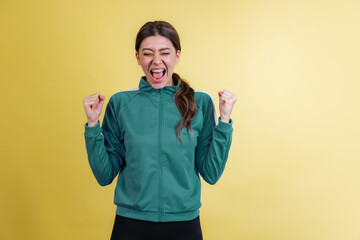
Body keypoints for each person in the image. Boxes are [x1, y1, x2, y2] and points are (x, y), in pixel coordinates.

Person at [83, 21, 237, 240]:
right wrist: (92, 126)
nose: (156, 60)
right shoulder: (120, 103)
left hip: (184, 226)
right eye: (147, 53)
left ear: (177, 55)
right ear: (137, 57)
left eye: (165, 52)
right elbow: (104, 175)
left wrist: (224, 121)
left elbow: (211, 173)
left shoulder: (199, 102)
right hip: (130, 226)